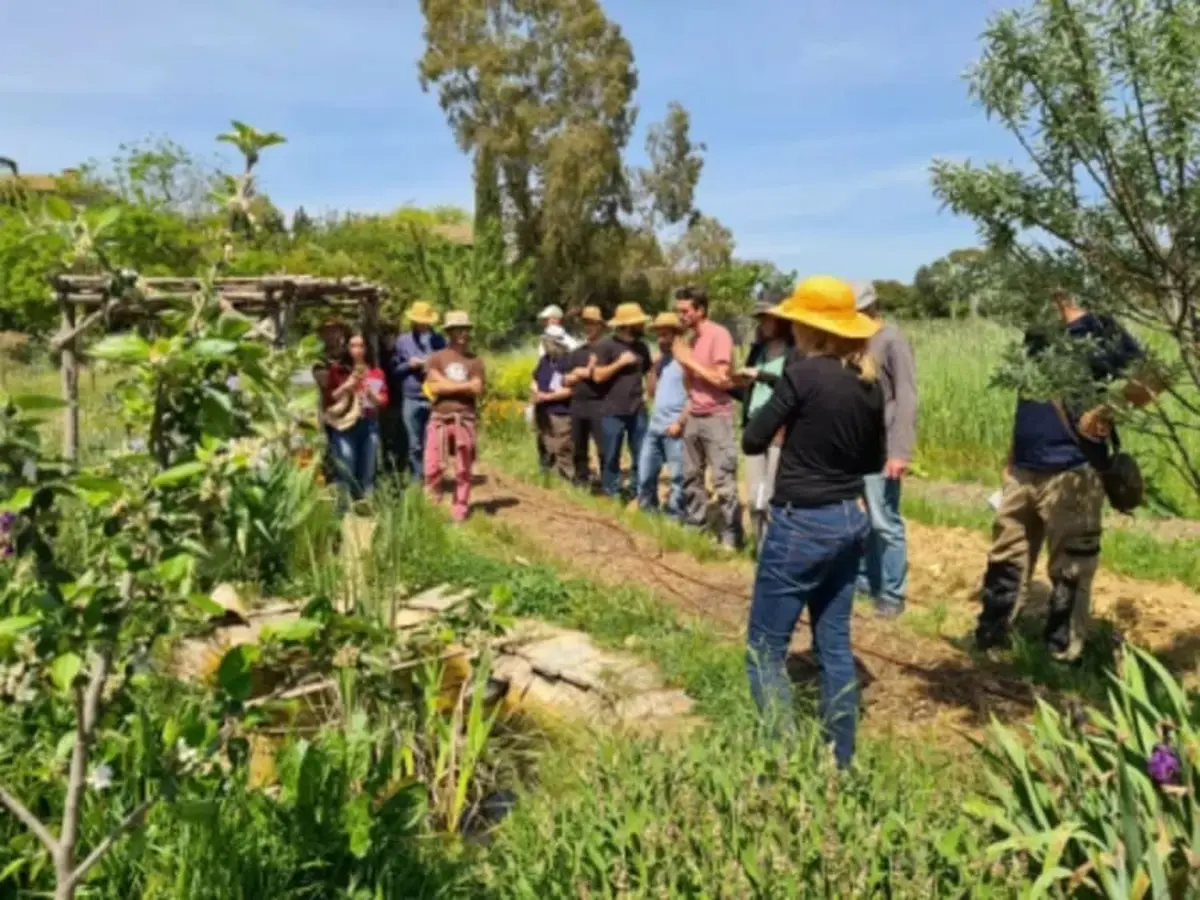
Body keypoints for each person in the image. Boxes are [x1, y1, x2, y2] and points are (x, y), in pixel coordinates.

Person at [743, 275, 885, 770]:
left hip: (801, 520)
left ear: (809, 328)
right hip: (849, 519)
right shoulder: (868, 382)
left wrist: (792, 421)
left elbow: (753, 440)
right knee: (834, 644)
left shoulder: (801, 377)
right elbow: (873, 459)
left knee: (764, 649)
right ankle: (837, 761)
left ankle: (780, 762)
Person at [975, 289, 1146, 663]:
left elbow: (1151, 379)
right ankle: (992, 638)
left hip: (1074, 469)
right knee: (1006, 554)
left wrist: (1106, 410)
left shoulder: (1102, 329)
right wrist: (1010, 456)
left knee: (1070, 566)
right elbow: (1028, 397)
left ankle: (1062, 655)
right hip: (1023, 469)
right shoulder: (1038, 335)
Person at [852, 282, 918, 619]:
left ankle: (892, 593)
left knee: (884, 521)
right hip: (858, 447)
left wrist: (900, 451)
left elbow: (906, 395)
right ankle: (865, 582)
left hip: (884, 447)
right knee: (862, 520)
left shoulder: (891, 340)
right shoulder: (853, 341)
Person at [673, 286, 741, 549]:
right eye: (678, 311)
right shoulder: (691, 340)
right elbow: (692, 384)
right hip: (695, 414)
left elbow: (722, 379)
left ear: (700, 310)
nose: (681, 316)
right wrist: (684, 363)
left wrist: (688, 361)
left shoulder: (719, 335)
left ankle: (730, 534)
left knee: (723, 479)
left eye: (685, 311)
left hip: (716, 416)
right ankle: (696, 524)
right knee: (691, 475)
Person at [733, 292, 798, 551]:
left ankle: (774, 551)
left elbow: (792, 387)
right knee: (752, 498)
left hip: (780, 430)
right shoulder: (757, 350)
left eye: (767, 318)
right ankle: (760, 548)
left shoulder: (795, 353)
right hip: (754, 426)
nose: (763, 324)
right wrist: (729, 383)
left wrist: (761, 375)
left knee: (771, 496)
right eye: (761, 319)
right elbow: (749, 391)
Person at [423, 311, 486, 523]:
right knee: (432, 466)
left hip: (464, 419)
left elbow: (477, 388)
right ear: (449, 332)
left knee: (463, 467)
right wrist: (463, 386)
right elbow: (433, 386)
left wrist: (447, 385)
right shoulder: (436, 358)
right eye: (458, 329)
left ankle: (460, 508)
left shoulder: (475, 360)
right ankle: (432, 504)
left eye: (465, 329)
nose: (462, 334)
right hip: (439, 418)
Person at [591, 303, 653, 500]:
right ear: (628, 325)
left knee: (641, 454)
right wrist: (619, 363)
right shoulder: (606, 346)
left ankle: (636, 491)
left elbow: (648, 372)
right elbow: (598, 376)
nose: (642, 326)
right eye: (638, 323)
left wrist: (650, 393)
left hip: (637, 410)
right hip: (612, 410)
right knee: (610, 456)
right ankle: (612, 492)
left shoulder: (642, 347)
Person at [326, 332, 390, 503]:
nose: (357, 350)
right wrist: (347, 386)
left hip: (368, 422)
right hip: (344, 424)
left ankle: (366, 506)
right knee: (346, 463)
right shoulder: (338, 371)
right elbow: (330, 397)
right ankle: (344, 507)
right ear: (347, 348)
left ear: (366, 348)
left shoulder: (376, 373)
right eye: (353, 345)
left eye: (361, 345)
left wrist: (371, 395)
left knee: (368, 468)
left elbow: (383, 401)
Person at [638, 312, 689, 519]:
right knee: (645, 475)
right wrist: (652, 368)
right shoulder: (661, 362)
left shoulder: (686, 361)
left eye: (665, 335)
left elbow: (695, 397)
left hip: (675, 427)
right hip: (655, 426)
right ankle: (647, 514)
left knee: (678, 477)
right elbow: (651, 392)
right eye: (658, 335)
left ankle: (675, 517)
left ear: (677, 335)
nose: (660, 340)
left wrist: (680, 422)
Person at [392, 301, 446, 481]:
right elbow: (395, 370)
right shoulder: (403, 341)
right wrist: (409, 364)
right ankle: (418, 479)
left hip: (434, 397)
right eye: (419, 320)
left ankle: (433, 477)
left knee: (434, 442)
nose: (422, 324)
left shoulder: (439, 341)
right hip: (412, 397)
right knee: (414, 444)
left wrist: (430, 364)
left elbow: (446, 366)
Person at [563, 306, 609, 488]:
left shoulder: (606, 350)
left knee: (604, 447)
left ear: (600, 326)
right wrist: (582, 372)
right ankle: (581, 480)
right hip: (578, 404)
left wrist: (581, 373)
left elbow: (603, 375)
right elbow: (566, 380)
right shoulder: (577, 352)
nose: (589, 327)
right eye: (586, 324)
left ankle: (607, 482)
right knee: (578, 445)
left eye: (592, 324)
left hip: (600, 403)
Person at [530, 326, 575, 480]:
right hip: (543, 410)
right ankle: (546, 476)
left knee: (563, 446)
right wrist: (535, 391)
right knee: (544, 444)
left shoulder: (569, 361)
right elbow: (535, 379)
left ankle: (565, 478)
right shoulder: (545, 360)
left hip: (561, 411)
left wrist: (547, 397)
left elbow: (570, 390)